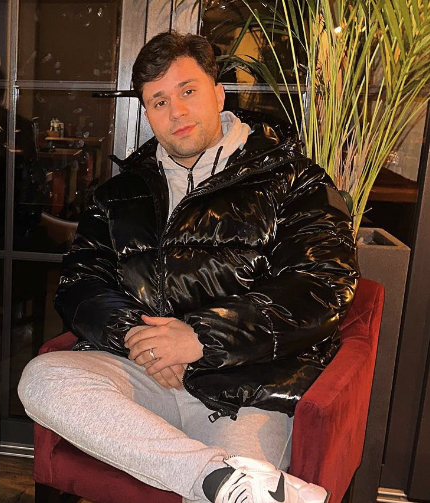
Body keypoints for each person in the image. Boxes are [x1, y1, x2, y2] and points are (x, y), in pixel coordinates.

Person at [18, 31, 357, 503]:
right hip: (143, 375)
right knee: (43, 378)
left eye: (188, 91)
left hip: (244, 388)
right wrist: (140, 340)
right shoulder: (119, 195)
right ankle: (221, 478)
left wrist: (200, 338)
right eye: (159, 101)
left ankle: (225, 481)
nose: (176, 111)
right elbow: (81, 284)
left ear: (218, 93)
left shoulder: (295, 181)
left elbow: (320, 287)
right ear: (147, 113)